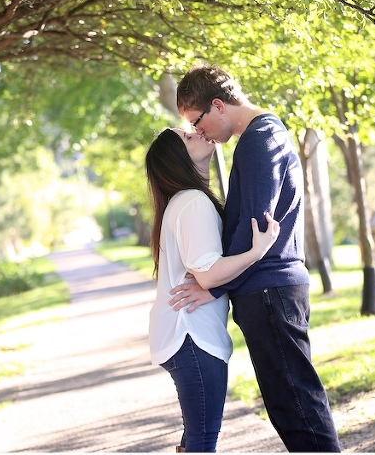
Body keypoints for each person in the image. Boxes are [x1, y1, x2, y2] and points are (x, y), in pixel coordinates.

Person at [169, 64, 342, 452]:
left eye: (197, 121)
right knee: (290, 402)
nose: (199, 132)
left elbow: (253, 227)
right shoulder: (259, 137)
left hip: (269, 289)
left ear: (218, 105)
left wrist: (213, 284)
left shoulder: (259, 139)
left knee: (296, 404)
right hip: (269, 288)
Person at [145, 127, 280, 453]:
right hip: (191, 335)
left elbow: (203, 274)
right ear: (178, 159)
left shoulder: (185, 201)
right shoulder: (192, 202)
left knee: (195, 438)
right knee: (203, 442)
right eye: (188, 138)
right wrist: (256, 253)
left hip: (187, 333)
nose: (197, 133)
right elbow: (206, 274)